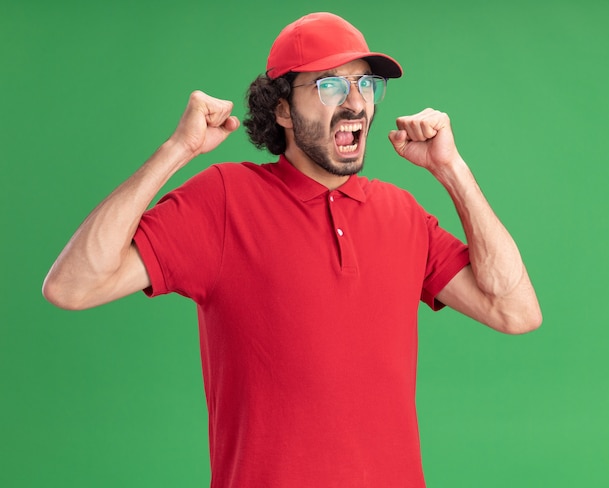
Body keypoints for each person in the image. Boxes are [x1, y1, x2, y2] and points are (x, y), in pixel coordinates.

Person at [43, 11, 541, 488]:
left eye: (365, 84)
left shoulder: (402, 213)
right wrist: (178, 151)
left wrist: (450, 169)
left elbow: (514, 310)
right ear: (281, 108)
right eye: (330, 86)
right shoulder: (224, 199)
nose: (355, 102)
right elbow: (74, 285)